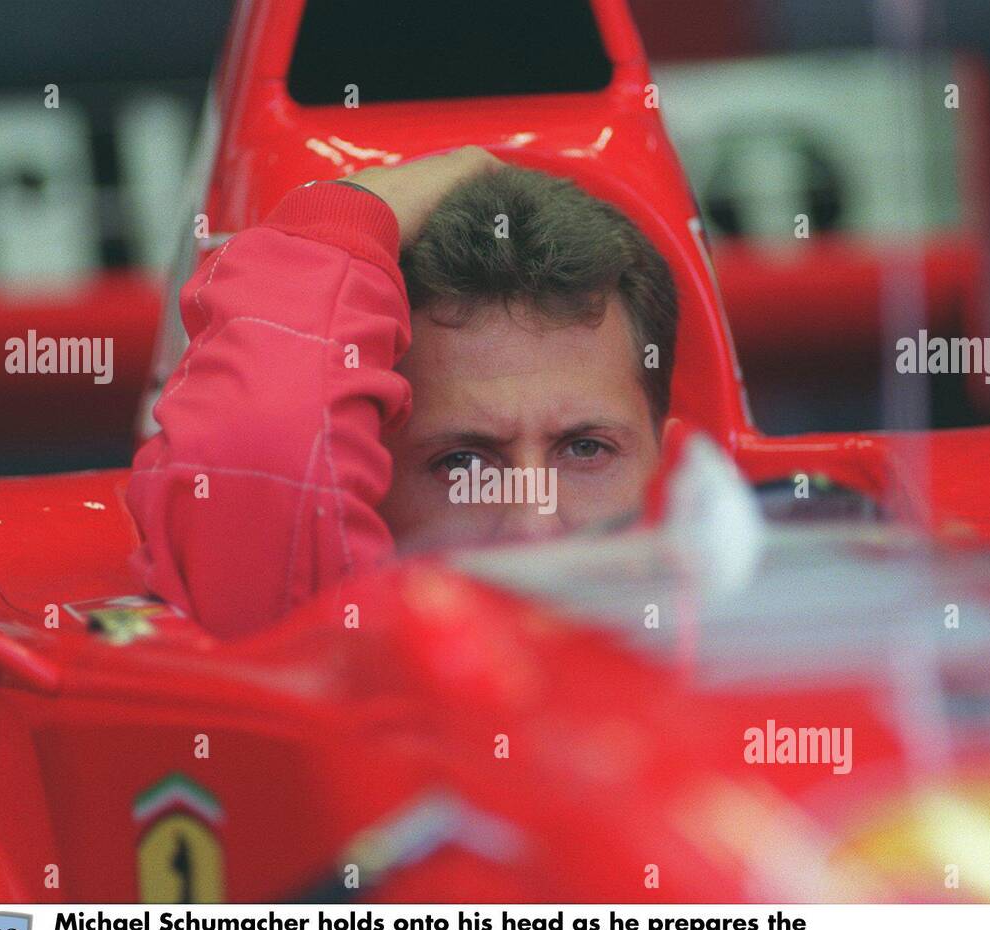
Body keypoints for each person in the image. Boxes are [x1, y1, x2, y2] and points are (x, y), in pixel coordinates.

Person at [127, 147, 679, 638]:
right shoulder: (361, 658)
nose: (534, 526)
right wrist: (341, 218)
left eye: (585, 449)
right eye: (463, 463)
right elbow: (265, 459)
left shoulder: (755, 639)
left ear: (674, 471)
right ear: (361, 493)